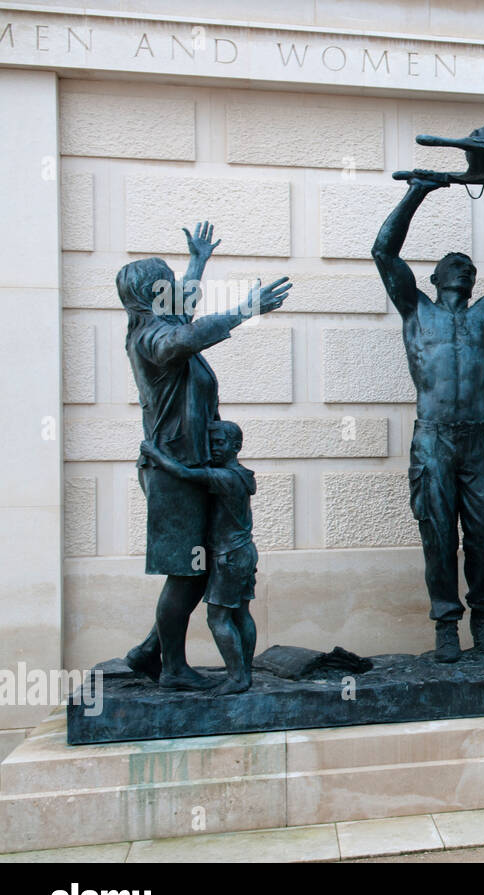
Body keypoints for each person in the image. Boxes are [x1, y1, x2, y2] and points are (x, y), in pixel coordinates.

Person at [372, 174, 484, 662]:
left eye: (469, 264)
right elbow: (384, 253)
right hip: (432, 440)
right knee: (437, 535)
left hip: (476, 441)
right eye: (454, 262)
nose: (464, 266)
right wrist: (419, 191)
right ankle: (446, 623)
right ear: (434, 278)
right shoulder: (415, 311)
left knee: (483, 536)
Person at [120, 221, 289, 688]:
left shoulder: (165, 323)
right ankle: (170, 667)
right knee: (188, 573)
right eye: (167, 283)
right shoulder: (152, 339)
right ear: (150, 293)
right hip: (175, 470)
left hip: (194, 465)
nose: (176, 287)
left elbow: (186, 310)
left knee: (198, 568)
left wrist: (198, 259)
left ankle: (150, 651)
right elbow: (184, 337)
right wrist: (245, 309)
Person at [141, 421, 258, 695]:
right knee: (240, 613)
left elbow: (182, 473)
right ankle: (244, 673)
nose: (214, 448)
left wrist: (154, 452)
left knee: (218, 618)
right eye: (212, 442)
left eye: (220, 443)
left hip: (228, 557)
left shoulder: (225, 477)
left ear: (236, 446)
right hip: (242, 553)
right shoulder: (242, 475)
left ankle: (238, 677)